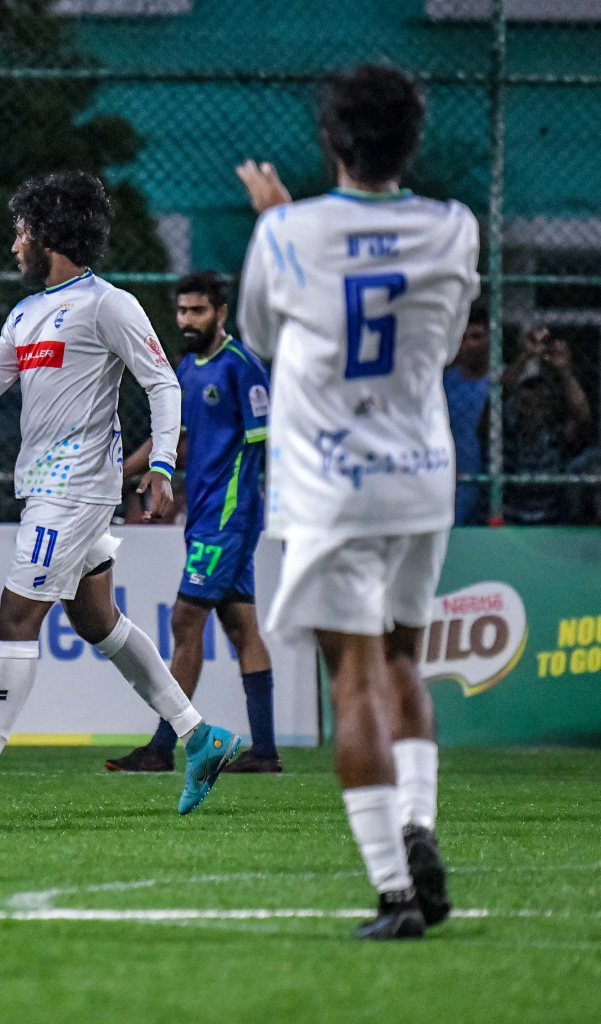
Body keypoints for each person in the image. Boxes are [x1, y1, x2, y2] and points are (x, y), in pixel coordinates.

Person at [0, 171, 242, 822]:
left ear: (49, 236)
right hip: (48, 490)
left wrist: (162, 466)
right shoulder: (27, 313)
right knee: (96, 620)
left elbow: (163, 385)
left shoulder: (107, 304)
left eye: (21, 231)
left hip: (77, 489)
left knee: (15, 619)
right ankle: (201, 737)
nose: (15, 245)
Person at [235, 63, 479, 938]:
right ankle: (418, 824)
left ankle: (394, 893)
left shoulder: (287, 235)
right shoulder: (456, 228)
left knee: (355, 679)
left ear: (330, 141)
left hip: (332, 489)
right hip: (421, 477)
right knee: (407, 661)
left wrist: (281, 225)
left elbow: (263, 336)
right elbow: (446, 341)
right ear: (412, 140)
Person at [108, 271, 282, 775]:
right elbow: (173, 439)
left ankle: (162, 747)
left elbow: (267, 441)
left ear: (220, 313)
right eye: (182, 311)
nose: (187, 320)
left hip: (228, 518)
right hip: (204, 515)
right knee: (240, 624)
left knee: (185, 620)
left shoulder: (242, 368)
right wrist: (125, 473)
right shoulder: (186, 368)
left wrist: (253, 509)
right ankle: (265, 753)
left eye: (198, 311)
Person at [500, 325, 592, 524]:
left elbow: (582, 417)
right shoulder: (507, 434)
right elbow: (498, 397)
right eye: (526, 404)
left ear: (549, 409)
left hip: (552, 521)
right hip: (511, 521)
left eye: (540, 404)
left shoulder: (556, 435)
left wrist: (565, 371)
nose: (533, 410)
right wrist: (524, 357)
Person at [441, 304, 489, 525]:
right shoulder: (442, 382)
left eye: (477, 337)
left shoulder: (504, 380)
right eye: (464, 337)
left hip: (490, 477)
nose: (469, 344)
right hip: (450, 477)